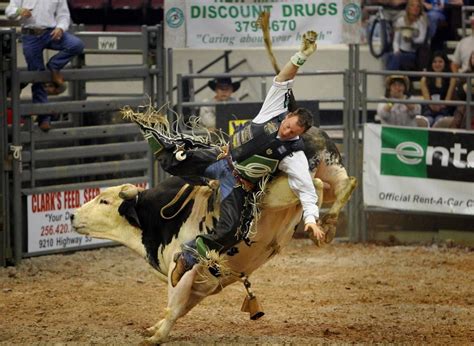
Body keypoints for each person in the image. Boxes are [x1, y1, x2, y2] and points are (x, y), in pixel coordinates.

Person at [132, 31, 324, 287]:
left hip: (238, 183)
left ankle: (188, 256)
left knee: (231, 230)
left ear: (300, 134)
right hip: (220, 157)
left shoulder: (293, 154)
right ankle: (149, 128)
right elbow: (283, 78)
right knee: (172, 159)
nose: (287, 132)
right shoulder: (273, 111)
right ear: (288, 117)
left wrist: (311, 221)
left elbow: (307, 190)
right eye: (289, 126)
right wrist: (301, 56)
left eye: (294, 133)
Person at [5, 0, 84, 132]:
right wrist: (19, 11)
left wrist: (60, 28)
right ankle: (43, 117)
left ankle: (54, 65)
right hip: (30, 34)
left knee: (76, 45)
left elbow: (63, 15)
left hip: (51, 32)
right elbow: (9, 11)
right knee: (37, 74)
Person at [386, 0, 429, 71]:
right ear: (408, 8)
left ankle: (391, 78)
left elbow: (421, 39)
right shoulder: (400, 21)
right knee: (389, 56)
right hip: (400, 51)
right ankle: (392, 78)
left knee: (397, 58)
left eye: (418, 6)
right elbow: (396, 40)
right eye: (413, 6)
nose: (415, 8)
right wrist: (396, 50)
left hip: (413, 52)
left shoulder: (422, 21)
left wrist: (411, 39)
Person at [420, 51, 456, 125]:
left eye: (440, 62)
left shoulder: (451, 78)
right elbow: (427, 99)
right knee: (428, 120)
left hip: (445, 109)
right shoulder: (424, 79)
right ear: (431, 64)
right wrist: (433, 106)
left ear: (445, 63)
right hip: (429, 109)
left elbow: (448, 99)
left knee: (439, 120)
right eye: (435, 62)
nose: (437, 64)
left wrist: (440, 106)